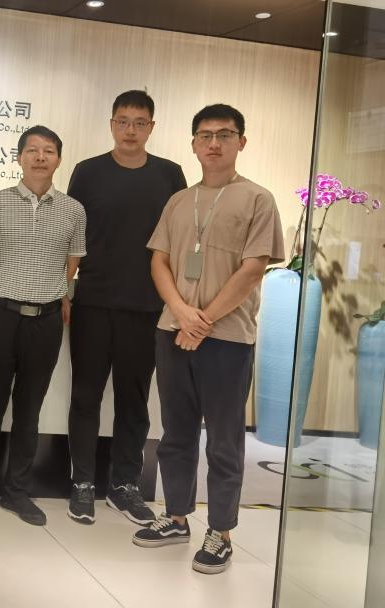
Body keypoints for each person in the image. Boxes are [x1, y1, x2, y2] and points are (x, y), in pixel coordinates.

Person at [132, 104, 284, 575]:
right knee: (175, 432)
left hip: (228, 339)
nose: (214, 143)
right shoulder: (179, 201)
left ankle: (221, 531)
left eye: (225, 134)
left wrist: (204, 321)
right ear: (194, 144)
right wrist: (181, 313)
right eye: (205, 135)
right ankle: (176, 517)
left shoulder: (258, 199)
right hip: (173, 331)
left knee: (223, 439)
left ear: (242, 141)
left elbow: (254, 269)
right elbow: (158, 261)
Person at [66, 90, 187, 525]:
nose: (130, 130)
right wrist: (65, 292)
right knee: (86, 395)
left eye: (139, 122)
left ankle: (124, 485)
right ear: (111, 124)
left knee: (134, 401)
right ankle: (82, 483)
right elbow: (71, 236)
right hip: (93, 301)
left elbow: (179, 240)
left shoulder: (169, 174)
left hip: (146, 306)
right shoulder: (88, 171)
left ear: (151, 127)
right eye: (122, 121)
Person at [0, 126, 86, 526]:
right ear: (19, 158)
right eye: (32, 150)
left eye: (49, 151)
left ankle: (17, 491)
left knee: (30, 408)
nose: (40, 157)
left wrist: (57, 293)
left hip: (46, 321)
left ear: (59, 159)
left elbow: (72, 264)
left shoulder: (74, 210)